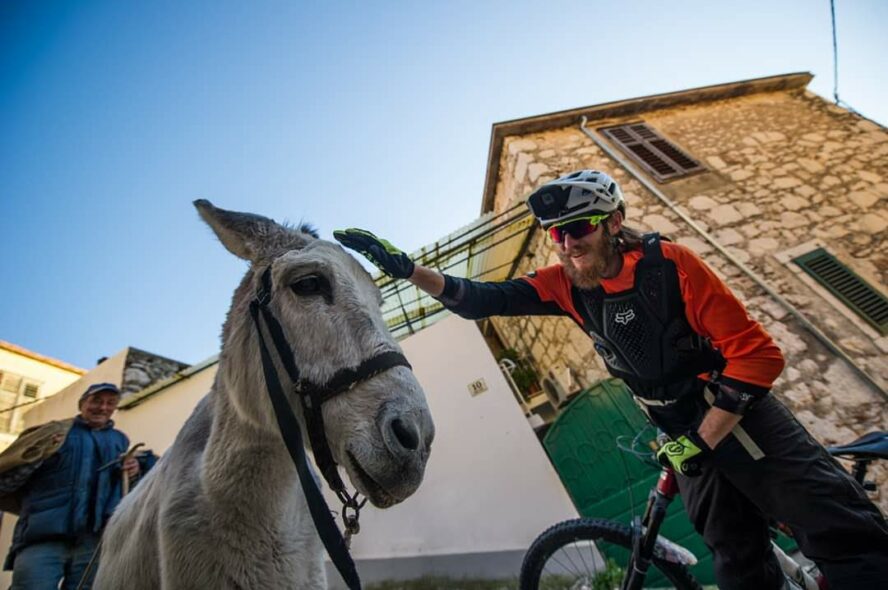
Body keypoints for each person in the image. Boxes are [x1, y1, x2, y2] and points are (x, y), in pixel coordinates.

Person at [334, 169, 888, 589]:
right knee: (737, 560)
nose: (568, 244)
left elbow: (757, 357)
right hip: (682, 439)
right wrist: (406, 268)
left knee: (843, 537)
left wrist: (704, 436)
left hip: (738, 423)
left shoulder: (671, 266)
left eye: (578, 229)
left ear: (613, 223)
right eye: (556, 234)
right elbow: (480, 300)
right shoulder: (566, 284)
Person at [1, 382, 143, 589]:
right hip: (42, 537)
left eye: (110, 403)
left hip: (93, 542)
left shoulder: (119, 440)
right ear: (82, 404)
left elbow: (122, 490)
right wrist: (39, 453)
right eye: (96, 401)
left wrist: (133, 471)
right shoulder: (53, 433)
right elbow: (10, 479)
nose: (103, 407)